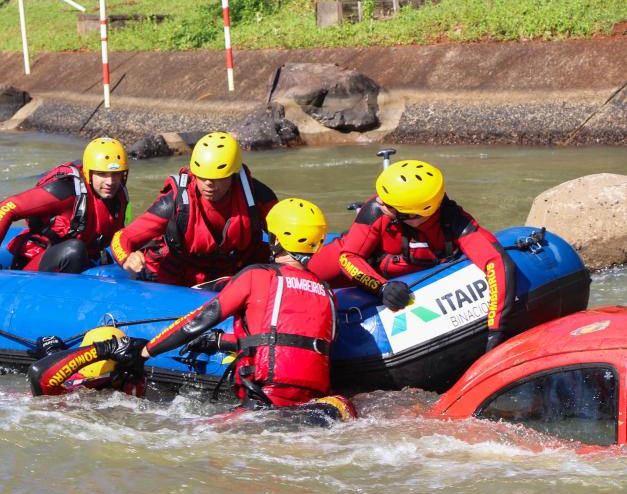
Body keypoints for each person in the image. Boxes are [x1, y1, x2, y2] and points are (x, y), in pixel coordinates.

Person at [98, 198, 341, 409]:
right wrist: (220, 342)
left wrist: (145, 351)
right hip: (313, 403)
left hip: (262, 400)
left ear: (275, 239)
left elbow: (200, 320)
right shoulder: (328, 294)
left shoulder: (257, 276)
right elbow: (290, 343)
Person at [307, 159, 515, 352]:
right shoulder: (374, 211)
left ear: (412, 215)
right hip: (360, 263)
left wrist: (496, 330)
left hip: (402, 271)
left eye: (388, 204)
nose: (379, 201)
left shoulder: (455, 221)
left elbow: (496, 262)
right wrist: (381, 287)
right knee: (303, 273)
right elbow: (348, 257)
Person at [110, 132, 277, 288]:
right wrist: (127, 257)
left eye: (217, 178)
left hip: (235, 275)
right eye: (202, 177)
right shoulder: (174, 202)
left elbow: (289, 237)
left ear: (233, 175)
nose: (209, 184)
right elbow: (122, 237)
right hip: (181, 279)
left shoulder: (257, 196)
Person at [0, 137, 130, 275]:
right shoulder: (65, 191)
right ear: (88, 173)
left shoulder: (120, 196)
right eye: (102, 174)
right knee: (74, 250)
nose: (110, 182)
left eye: (116, 174)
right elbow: (5, 208)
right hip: (33, 267)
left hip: (84, 262)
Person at [27, 326, 146, 397]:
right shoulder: (70, 389)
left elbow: (37, 373)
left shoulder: (131, 378)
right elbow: (36, 372)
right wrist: (104, 349)